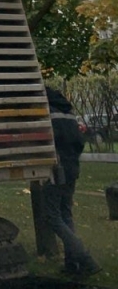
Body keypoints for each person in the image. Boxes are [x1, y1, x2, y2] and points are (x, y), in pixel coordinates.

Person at [44, 87, 101, 277]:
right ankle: (72, 264)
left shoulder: (48, 114)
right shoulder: (69, 115)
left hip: (56, 168)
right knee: (66, 214)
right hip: (72, 167)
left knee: (52, 216)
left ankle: (85, 258)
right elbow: (79, 142)